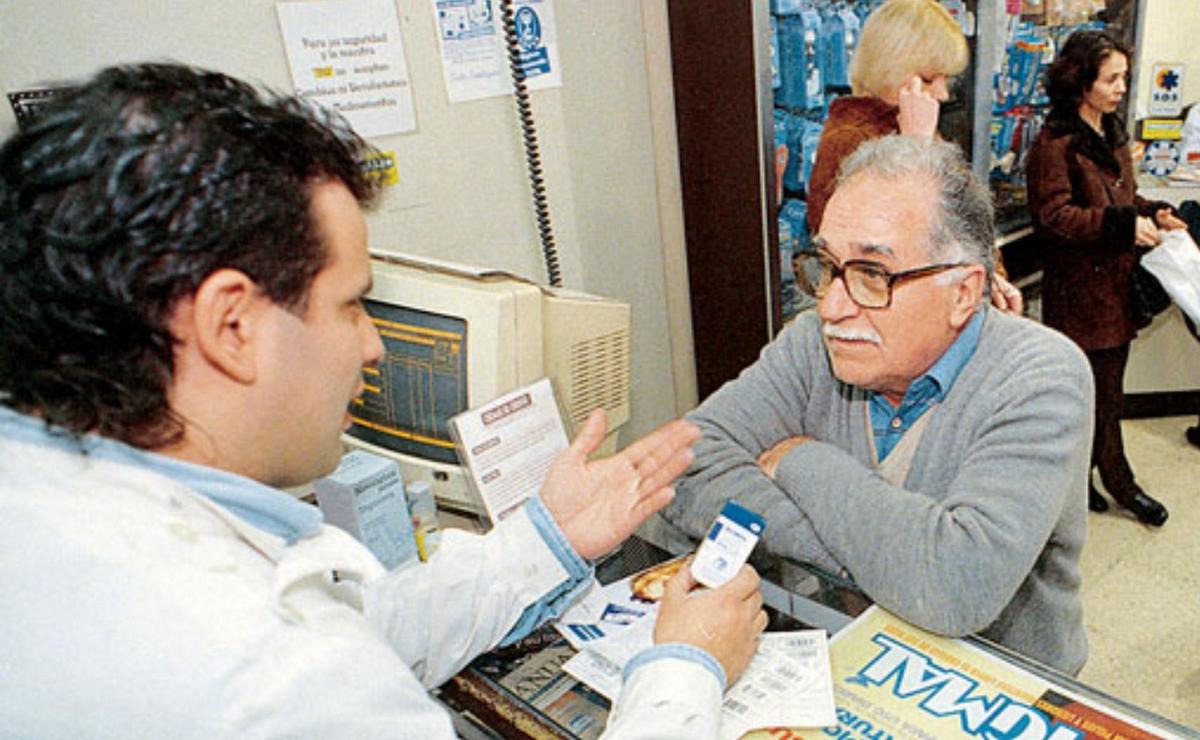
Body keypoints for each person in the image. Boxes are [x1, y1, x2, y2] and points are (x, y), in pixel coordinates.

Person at [0, 63, 768, 738]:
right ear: (230, 324)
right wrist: (684, 669)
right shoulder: (275, 676)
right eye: (350, 306)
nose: (373, 346)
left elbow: (367, 628)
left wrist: (551, 539)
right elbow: (317, 666)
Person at [662, 135, 1093, 676]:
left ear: (963, 293)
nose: (833, 306)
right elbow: (683, 468)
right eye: (826, 266)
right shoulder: (813, 343)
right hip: (846, 660)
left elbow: (955, 586)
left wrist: (799, 461)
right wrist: (885, 557)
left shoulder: (1042, 375)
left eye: (873, 275)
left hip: (995, 688)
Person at [1026, 30, 1187, 527]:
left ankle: (1085, 480)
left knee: (1107, 394)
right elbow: (1055, 217)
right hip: (1079, 294)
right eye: (1111, 78)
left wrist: (1154, 212)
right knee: (1086, 397)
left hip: (1114, 291)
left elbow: (1118, 199)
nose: (1122, 87)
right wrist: (1121, 225)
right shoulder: (1055, 144)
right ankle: (1119, 483)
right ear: (1081, 81)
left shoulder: (1111, 133)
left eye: (1124, 77)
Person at [803, 0, 1024, 314]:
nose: (944, 94)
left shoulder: (915, 125)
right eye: (930, 78)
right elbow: (861, 250)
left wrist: (985, 274)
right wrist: (915, 148)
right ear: (892, 69)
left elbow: (962, 219)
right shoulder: (851, 138)